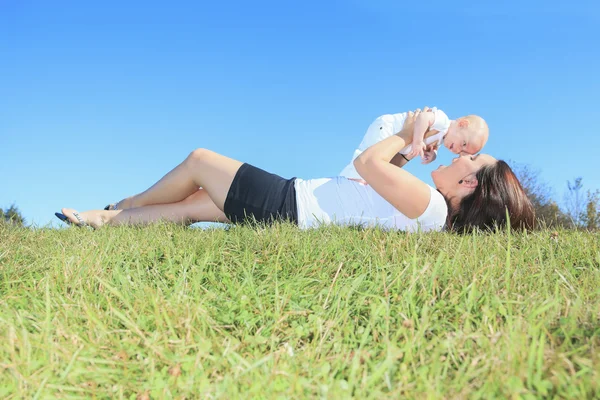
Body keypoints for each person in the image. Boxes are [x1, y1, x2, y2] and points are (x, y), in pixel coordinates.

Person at [55, 108, 533, 233]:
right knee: (193, 205)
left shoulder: (430, 208)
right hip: (294, 206)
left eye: (468, 159)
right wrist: (409, 154)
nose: (456, 157)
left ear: (470, 184)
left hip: (292, 205)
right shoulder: (426, 212)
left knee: (200, 160)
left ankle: (124, 205)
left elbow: (368, 162)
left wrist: (409, 129)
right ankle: (104, 222)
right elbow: (367, 180)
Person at [338, 107, 489, 180]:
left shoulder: (442, 138)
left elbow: (433, 147)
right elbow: (423, 117)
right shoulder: (442, 121)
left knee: (376, 164)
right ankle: (351, 178)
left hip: (395, 141)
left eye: (462, 151)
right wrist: (417, 141)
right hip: (388, 127)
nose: (457, 150)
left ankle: (352, 179)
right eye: (463, 143)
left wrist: (433, 154)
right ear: (462, 124)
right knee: (367, 155)